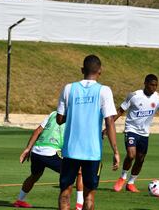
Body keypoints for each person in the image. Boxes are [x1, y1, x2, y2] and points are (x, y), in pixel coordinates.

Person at [57, 54, 120, 210]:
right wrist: (116, 151)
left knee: (65, 192)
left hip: (71, 150)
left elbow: (59, 119)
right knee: (89, 195)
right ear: (100, 71)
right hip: (92, 152)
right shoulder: (104, 91)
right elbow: (110, 121)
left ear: (82, 70)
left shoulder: (69, 88)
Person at [113, 74, 159, 193]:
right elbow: (121, 110)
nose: (154, 87)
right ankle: (122, 177)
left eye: (156, 85)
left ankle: (131, 183)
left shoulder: (157, 97)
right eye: (152, 84)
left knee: (140, 159)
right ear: (145, 83)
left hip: (144, 133)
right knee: (131, 155)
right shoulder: (134, 96)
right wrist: (109, 125)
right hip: (131, 129)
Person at [13, 111, 84, 210]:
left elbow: (37, 131)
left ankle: (19, 200)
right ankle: (80, 206)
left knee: (35, 175)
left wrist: (28, 149)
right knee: (80, 171)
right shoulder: (74, 117)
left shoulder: (53, 113)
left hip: (36, 151)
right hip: (50, 153)